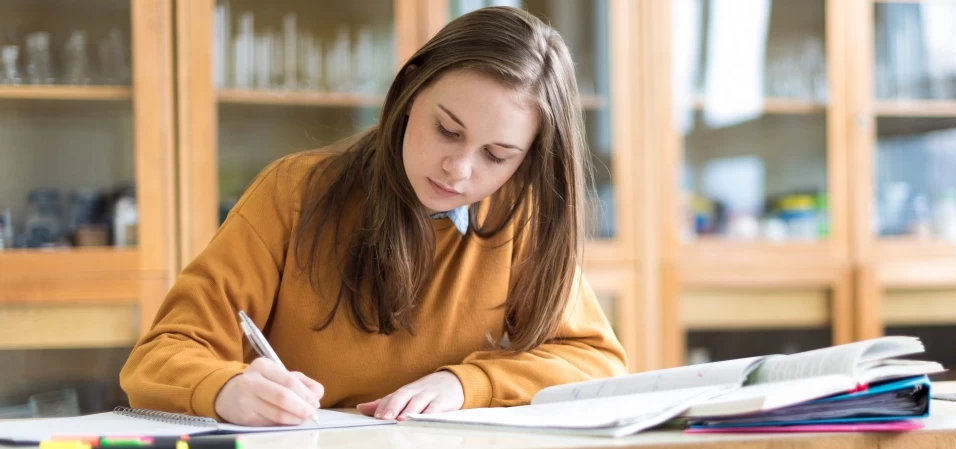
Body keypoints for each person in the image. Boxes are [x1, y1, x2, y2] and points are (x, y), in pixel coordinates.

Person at [120, 6, 627, 426]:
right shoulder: (292, 193)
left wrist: (467, 383)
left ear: (529, 157)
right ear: (410, 92)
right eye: (447, 130)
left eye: (497, 156)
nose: (459, 169)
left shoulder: (519, 216)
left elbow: (596, 362)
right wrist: (226, 389)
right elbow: (159, 355)